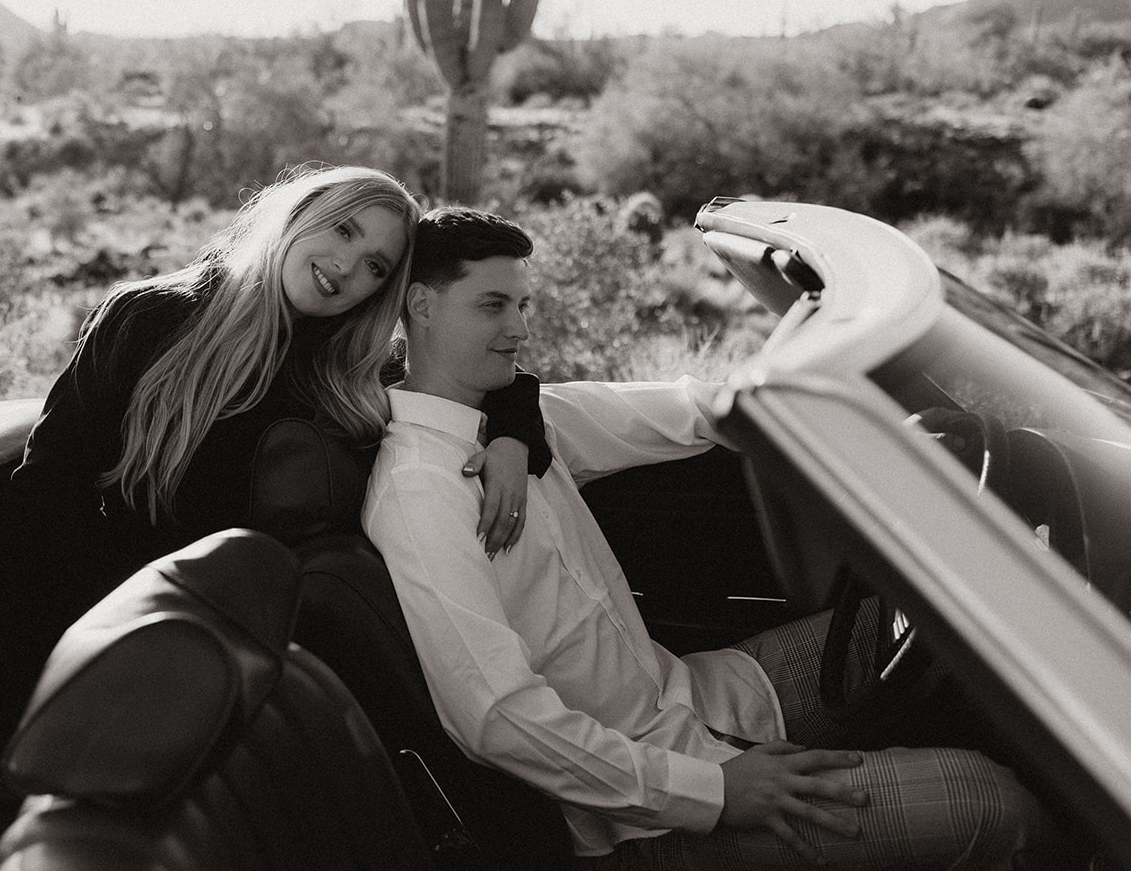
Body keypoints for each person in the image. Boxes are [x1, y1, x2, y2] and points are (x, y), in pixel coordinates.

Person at [361, 206, 1055, 869]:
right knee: (992, 803)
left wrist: (858, 421)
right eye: (493, 305)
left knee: (955, 620)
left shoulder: (525, 418)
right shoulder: (421, 488)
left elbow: (695, 410)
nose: (518, 327)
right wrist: (717, 793)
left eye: (523, 305)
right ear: (420, 306)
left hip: (700, 698)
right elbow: (497, 718)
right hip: (639, 818)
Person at [10, 166, 548, 623]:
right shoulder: (149, 318)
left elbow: (487, 375)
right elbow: (49, 480)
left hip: (280, 640)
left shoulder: (354, 373)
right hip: (128, 617)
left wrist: (511, 440)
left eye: (376, 266)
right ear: (300, 213)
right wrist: (123, 614)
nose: (347, 265)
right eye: (343, 230)